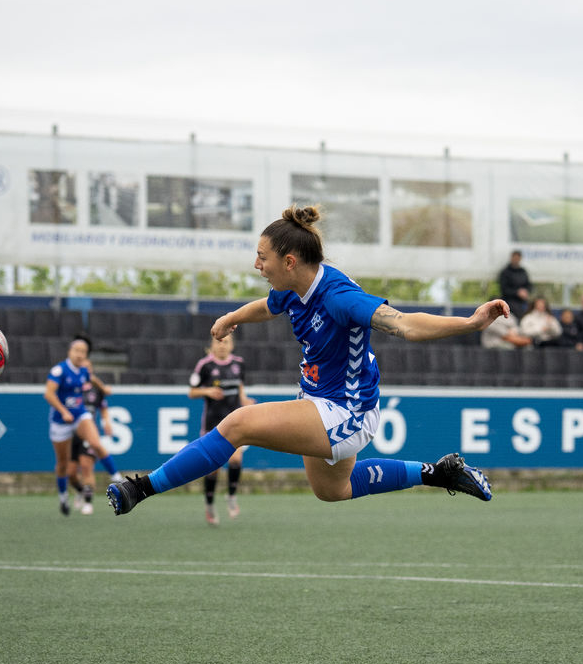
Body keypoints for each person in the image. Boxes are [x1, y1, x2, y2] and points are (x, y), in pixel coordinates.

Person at [108, 204, 499, 516]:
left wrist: (470, 322)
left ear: (290, 261)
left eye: (262, 258)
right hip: (317, 400)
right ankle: (438, 472)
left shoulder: (338, 296)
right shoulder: (294, 287)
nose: (256, 265)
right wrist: (232, 317)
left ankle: (140, 487)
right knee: (333, 491)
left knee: (237, 424)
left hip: (347, 411)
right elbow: (268, 306)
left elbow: (404, 325)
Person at [43, 336, 124, 516]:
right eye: (77, 351)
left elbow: (92, 379)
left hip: (80, 415)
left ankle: (117, 478)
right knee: (63, 465)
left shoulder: (83, 371)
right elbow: (49, 394)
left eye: (84, 352)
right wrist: (63, 411)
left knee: (96, 443)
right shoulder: (59, 371)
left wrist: (103, 389)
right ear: (69, 352)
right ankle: (63, 496)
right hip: (60, 421)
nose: (80, 355)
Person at [189, 332, 254, 525]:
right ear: (212, 345)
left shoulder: (239, 364)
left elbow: (240, 388)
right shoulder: (205, 365)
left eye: (226, 342)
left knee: (236, 459)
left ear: (231, 345)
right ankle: (209, 504)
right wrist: (207, 390)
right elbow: (191, 392)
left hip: (234, 423)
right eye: (218, 342)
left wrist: (245, 402)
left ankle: (231, 495)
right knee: (213, 469)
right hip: (212, 423)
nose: (222, 345)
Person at [498, 250, 532, 318]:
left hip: (523, 301)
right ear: (511, 258)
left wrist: (526, 291)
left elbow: (529, 285)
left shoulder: (523, 271)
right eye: (515, 258)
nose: (516, 260)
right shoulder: (505, 272)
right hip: (509, 300)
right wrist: (517, 292)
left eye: (518, 258)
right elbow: (504, 289)